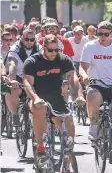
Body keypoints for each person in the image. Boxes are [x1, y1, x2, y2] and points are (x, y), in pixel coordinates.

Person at [23, 34, 85, 163]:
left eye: (56, 50)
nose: (53, 53)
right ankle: (40, 146)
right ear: (43, 47)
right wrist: (35, 98)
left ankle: (67, 164)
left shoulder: (63, 60)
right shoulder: (32, 62)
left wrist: (79, 95)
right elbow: (27, 83)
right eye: (50, 50)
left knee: (69, 124)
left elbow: (73, 78)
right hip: (38, 99)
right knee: (40, 109)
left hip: (57, 99)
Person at [79, 21, 112, 165]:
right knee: (93, 96)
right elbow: (82, 67)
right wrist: (84, 76)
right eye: (100, 33)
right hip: (96, 83)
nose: (102, 37)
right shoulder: (90, 46)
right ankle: (94, 125)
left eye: (106, 34)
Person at [6, 29, 40, 126]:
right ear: (21, 38)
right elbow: (12, 64)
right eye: (26, 39)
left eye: (32, 39)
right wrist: (12, 80)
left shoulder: (40, 48)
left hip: (35, 77)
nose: (29, 42)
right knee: (11, 91)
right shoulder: (15, 49)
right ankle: (15, 114)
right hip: (19, 76)